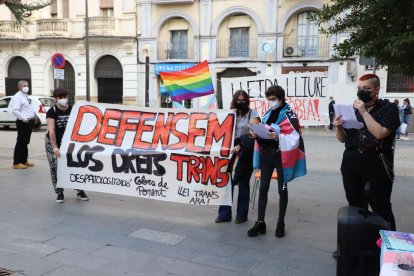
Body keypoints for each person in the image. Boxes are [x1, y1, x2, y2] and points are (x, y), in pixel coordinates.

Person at [333, 74, 400, 231]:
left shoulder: (389, 109)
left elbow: (380, 133)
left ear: (376, 90)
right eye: (359, 88)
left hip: (376, 161)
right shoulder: (353, 109)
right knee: (355, 205)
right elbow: (343, 139)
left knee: (380, 205)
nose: (361, 92)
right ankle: (359, 244)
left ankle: (387, 246)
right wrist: (338, 127)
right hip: (351, 160)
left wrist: (364, 112)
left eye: (366, 89)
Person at [247, 85, 306, 238]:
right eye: (269, 99)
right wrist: (255, 133)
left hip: (281, 154)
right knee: (263, 188)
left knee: (282, 189)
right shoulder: (267, 114)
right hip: (267, 153)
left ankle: (281, 222)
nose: (271, 102)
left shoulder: (289, 114)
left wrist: (278, 137)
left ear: (281, 98)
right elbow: (263, 129)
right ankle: (260, 222)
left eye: (273, 99)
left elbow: (295, 137)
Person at [215, 90, 260, 224]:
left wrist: (241, 143)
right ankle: (224, 214)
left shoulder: (252, 113)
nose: (241, 102)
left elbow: (254, 133)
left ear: (247, 101)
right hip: (229, 151)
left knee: (243, 182)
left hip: (245, 150)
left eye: (243, 100)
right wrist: (230, 117)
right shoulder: (230, 113)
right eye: (238, 100)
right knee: (227, 181)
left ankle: (241, 215)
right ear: (234, 100)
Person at [45, 87, 89, 203]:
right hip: (53, 143)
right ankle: (59, 192)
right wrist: (55, 147)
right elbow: (51, 131)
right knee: (55, 168)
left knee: (75, 166)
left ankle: (80, 190)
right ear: (55, 99)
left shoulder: (73, 109)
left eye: (65, 97)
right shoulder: (52, 111)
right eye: (60, 98)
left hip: (70, 144)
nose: (63, 100)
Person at [11, 80, 36, 169]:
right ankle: (17, 162)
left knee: (25, 142)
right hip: (23, 122)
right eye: (24, 85)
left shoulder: (25, 96)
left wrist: (34, 116)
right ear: (19, 87)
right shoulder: (17, 96)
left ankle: (24, 161)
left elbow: (27, 108)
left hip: (30, 121)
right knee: (21, 141)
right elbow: (15, 110)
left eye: (27, 85)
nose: (26, 87)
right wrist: (24, 118)